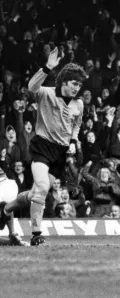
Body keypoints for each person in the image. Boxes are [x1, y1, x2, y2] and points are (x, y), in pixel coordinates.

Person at [0, 47, 86, 246]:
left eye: (79, 85)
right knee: (42, 188)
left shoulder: (78, 105)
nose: (77, 88)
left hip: (61, 153)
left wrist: (73, 140)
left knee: (35, 193)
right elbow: (31, 88)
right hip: (42, 148)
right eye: (74, 83)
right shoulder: (47, 93)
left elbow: (77, 124)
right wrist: (47, 68)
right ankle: (36, 233)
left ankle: (4, 209)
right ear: (64, 82)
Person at [0, 167, 29, 246]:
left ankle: (12, 234)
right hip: (9, 185)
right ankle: (12, 235)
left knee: (6, 207)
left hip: (4, 185)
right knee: (8, 206)